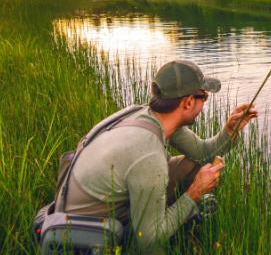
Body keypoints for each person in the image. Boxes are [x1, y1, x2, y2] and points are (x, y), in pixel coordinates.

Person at [54, 60, 257, 253]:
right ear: (187, 103)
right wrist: (194, 193)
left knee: (192, 165)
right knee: (153, 236)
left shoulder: (148, 115)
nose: (204, 104)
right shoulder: (149, 154)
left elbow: (202, 153)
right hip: (88, 230)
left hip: (95, 202)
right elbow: (149, 240)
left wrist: (230, 130)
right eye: (203, 96)